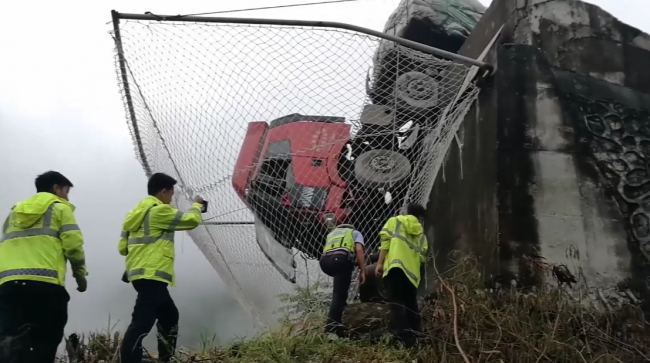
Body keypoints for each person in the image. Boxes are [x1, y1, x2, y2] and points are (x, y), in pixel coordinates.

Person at [0, 171, 88, 363]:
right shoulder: (60, 209)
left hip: (9, 287)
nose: (67, 196)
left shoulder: (12, 214)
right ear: (56, 188)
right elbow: (74, 247)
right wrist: (80, 277)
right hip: (45, 288)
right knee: (45, 342)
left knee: (10, 343)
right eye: (66, 191)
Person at [119, 172, 204, 363]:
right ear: (163, 192)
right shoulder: (159, 211)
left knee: (169, 316)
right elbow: (191, 221)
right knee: (141, 324)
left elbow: (122, 248)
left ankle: (165, 359)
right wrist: (197, 205)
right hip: (152, 276)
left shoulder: (134, 214)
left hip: (139, 275)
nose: (171, 199)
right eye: (171, 195)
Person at [375, 203, 428, 347]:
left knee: (396, 302)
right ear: (420, 217)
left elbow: (385, 243)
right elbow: (422, 259)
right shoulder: (422, 236)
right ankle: (417, 333)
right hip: (412, 274)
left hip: (395, 267)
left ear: (407, 212)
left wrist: (380, 263)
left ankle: (402, 337)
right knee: (411, 302)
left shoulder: (395, 221)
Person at [319, 223, 366, 338]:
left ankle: (340, 324)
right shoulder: (355, 233)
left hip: (325, 262)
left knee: (341, 293)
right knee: (338, 295)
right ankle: (330, 331)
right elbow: (359, 250)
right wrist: (363, 270)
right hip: (340, 260)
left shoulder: (332, 234)